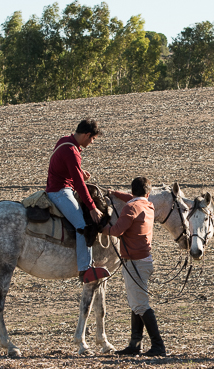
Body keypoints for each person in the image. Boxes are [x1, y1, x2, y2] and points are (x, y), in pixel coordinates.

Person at [104, 176, 166, 357]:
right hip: (144, 261)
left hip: (134, 263)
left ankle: (158, 345)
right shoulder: (148, 205)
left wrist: (100, 228)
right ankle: (135, 344)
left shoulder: (130, 208)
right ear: (148, 193)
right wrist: (116, 194)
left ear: (133, 190)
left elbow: (117, 231)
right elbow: (134, 198)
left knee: (140, 305)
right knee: (136, 303)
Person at [46, 119, 109, 283]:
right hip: (60, 192)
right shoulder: (72, 152)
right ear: (87, 135)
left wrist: (80, 171)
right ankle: (85, 269)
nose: (92, 142)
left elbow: (66, 167)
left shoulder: (64, 141)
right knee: (83, 226)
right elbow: (80, 185)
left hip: (57, 188)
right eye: (93, 138)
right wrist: (92, 207)